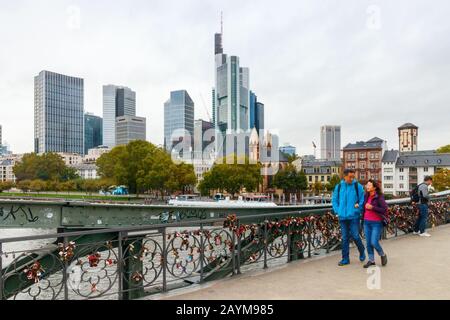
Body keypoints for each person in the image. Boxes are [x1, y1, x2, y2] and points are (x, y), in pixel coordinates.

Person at [332, 169, 366, 266]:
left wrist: (357, 209)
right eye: (350, 177)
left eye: (353, 177)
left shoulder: (357, 186)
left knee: (355, 236)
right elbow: (334, 200)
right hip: (342, 217)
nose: (352, 179)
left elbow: (362, 200)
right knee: (344, 238)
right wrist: (338, 211)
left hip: (354, 216)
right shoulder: (338, 187)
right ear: (345, 176)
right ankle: (345, 259)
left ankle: (362, 250)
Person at [362, 180, 388, 268]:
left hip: (376, 223)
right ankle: (371, 260)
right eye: (367, 185)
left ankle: (382, 254)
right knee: (368, 243)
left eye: (369, 185)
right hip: (366, 222)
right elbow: (364, 206)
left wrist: (372, 207)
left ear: (374, 187)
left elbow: (384, 209)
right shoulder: (366, 196)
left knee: (374, 242)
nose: (367, 186)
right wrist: (358, 205)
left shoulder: (379, 197)